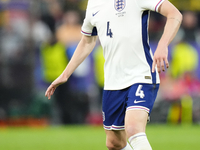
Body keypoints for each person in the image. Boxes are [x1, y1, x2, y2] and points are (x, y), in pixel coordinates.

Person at [45, 0, 182, 149]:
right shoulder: (93, 4)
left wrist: (162, 45)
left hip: (141, 74)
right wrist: (65, 74)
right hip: (112, 81)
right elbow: (87, 41)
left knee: (133, 129)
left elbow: (174, 14)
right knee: (114, 143)